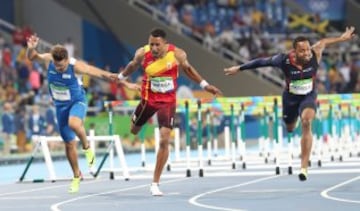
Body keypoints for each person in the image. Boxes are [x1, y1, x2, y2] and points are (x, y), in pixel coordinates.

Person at [224, 26, 356, 181]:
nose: (306, 53)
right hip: (290, 98)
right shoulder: (283, 60)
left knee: (306, 121)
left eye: (307, 49)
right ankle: (292, 126)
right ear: (294, 51)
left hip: (309, 95)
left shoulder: (315, 52)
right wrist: (240, 68)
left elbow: (325, 41)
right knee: (290, 127)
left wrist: (342, 38)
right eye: (302, 51)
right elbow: (261, 62)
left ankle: (304, 167)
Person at [26, 34, 138, 193]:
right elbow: (33, 57)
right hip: (60, 107)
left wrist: (125, 83)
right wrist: (31, 48)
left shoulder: (76, 66)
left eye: (61, 66)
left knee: (74, 124)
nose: (59, 68)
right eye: (57, 66)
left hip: (77, 101)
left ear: (67, 59)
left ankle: (87, 147)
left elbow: (101, 74)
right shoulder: (49, 59)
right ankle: (76, 176)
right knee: (69, 144)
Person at [117, 28, 222, 196]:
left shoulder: (177, 54)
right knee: (134, 130)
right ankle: (136, 119)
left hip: (167, 102)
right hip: (148, 99)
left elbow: (188, 70)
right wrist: (121, 77)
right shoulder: (142, 53)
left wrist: (205, 85)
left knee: (164, 140)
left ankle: (155, 183)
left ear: (165, 44)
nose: (154, 48)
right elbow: (132, 65)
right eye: (151, 44)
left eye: (157, 45)